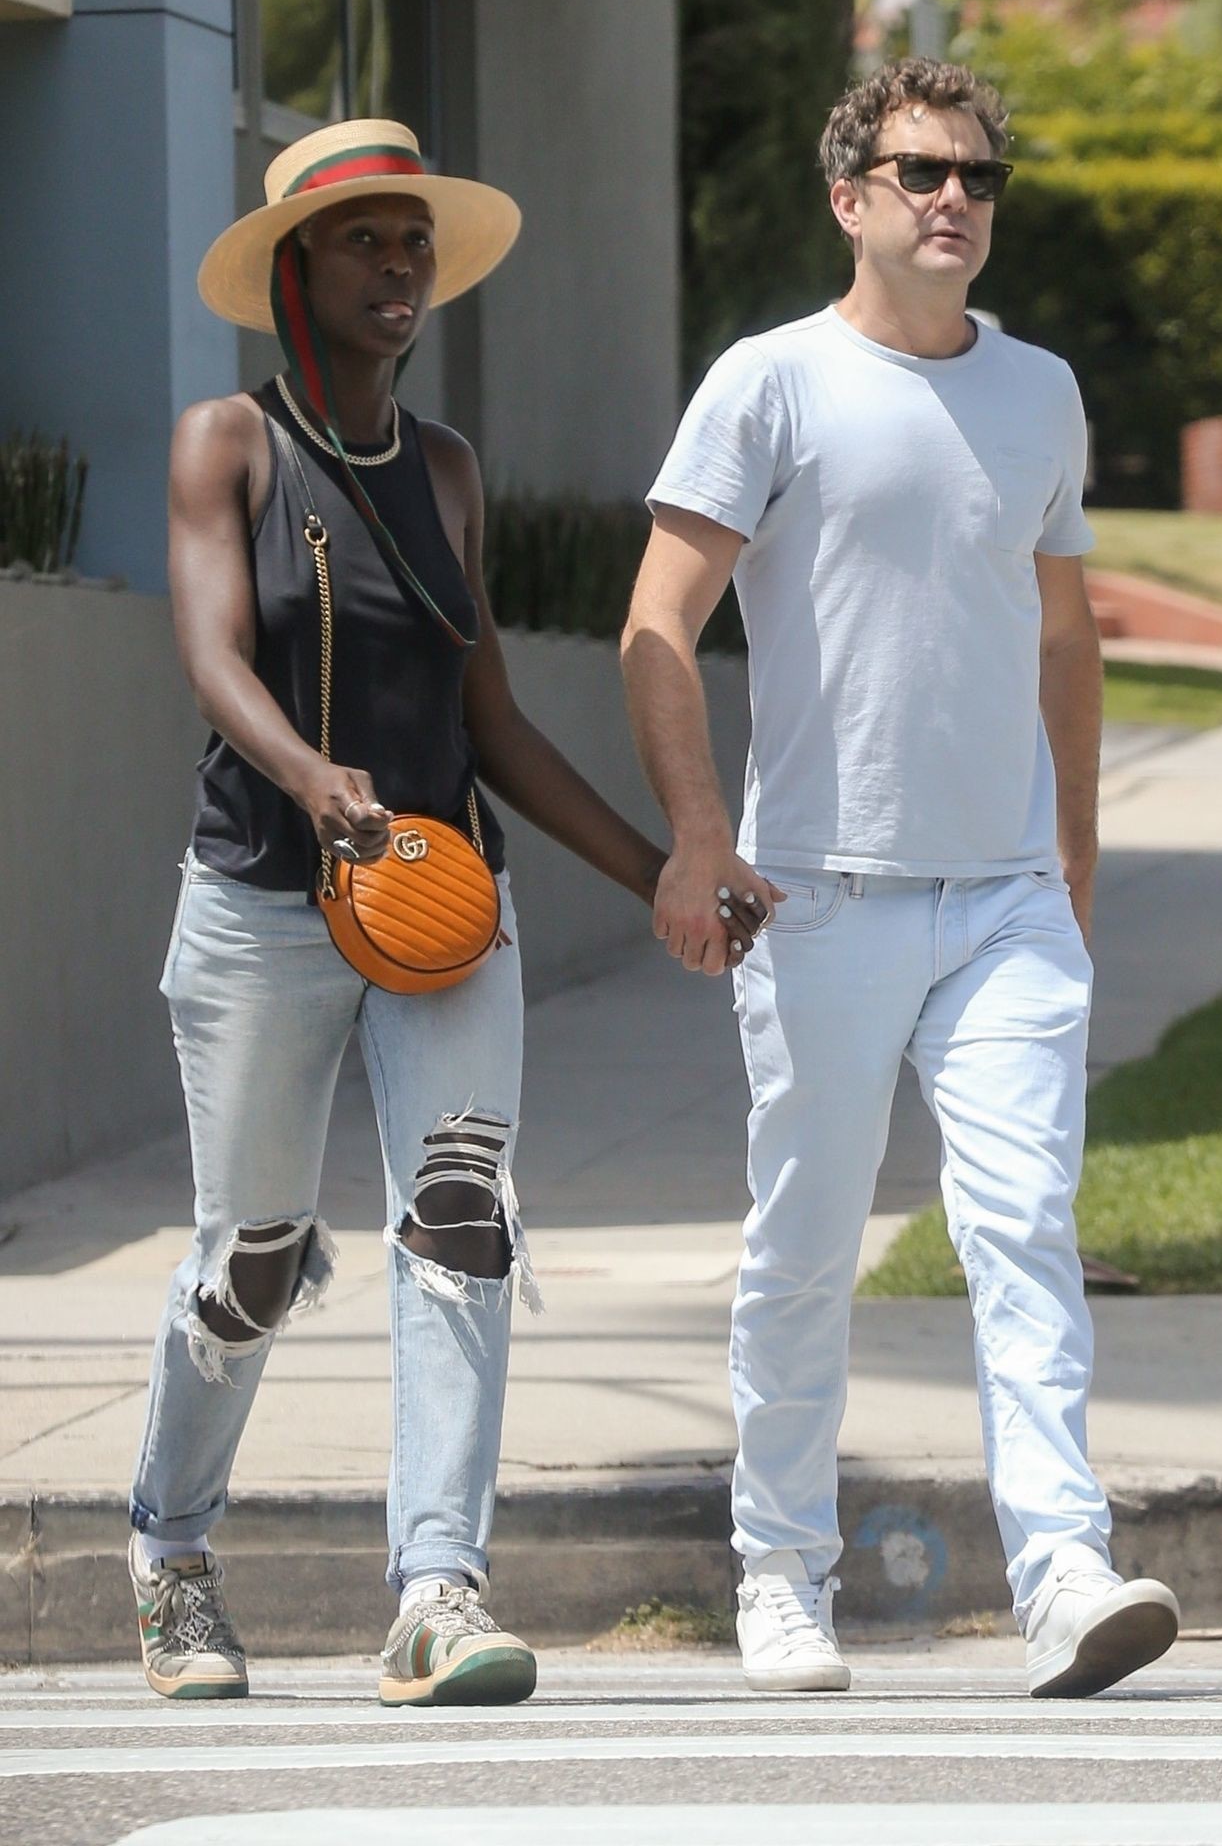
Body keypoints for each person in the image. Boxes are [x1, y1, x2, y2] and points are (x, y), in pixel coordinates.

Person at [128, 118, 765, 1707]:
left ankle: (435, 1590)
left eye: (413, 240)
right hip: (263, 906)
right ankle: (172, 1556)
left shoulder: (449, 473)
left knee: (463, 1216)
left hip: (442, 912)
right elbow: (210, 658)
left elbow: (495, 725)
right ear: (295, 269)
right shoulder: (228, 444)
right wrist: (309, 777)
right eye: (366, 239)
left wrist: (662, 869)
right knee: (252, 1259)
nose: (399, 264)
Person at [621, 59, 1180, 1698]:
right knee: (805, 1248)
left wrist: (1075, 853)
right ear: (849, 196)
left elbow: (1063, 633)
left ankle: (1064, 1571)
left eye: (980, 178)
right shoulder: (770, 385)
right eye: (923, 171)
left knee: (1023, 1229)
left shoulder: (1042, 391)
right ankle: (780, 1572)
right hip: (822, 898)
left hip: (1005, 900)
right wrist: (700, 836)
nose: (955, 199)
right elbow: (658, 623)